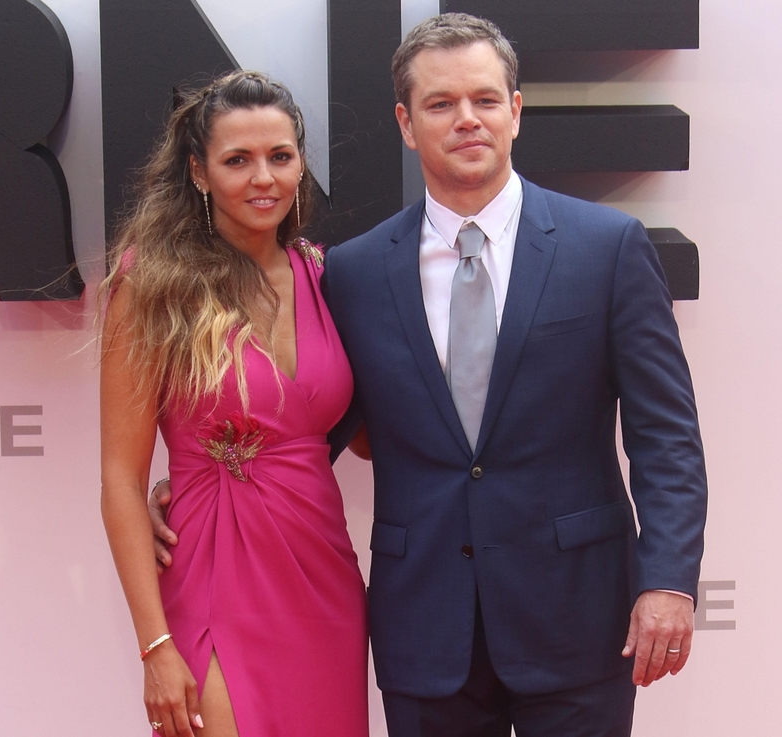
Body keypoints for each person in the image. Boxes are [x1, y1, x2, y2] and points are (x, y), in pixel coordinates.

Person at [152, 13, 707, 737]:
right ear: (407, 124)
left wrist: (667, 579)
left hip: (578, 618)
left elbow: (668, 436)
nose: (466, 119)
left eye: (483, 99)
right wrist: (202, 485)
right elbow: (309, 418)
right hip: (424, 630)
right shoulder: (351, 272)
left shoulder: (607, 248)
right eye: (440, 104)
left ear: (515, 109)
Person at [100, 70, 368, 737]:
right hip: (212, 573)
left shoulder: (328, 276)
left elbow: (370, 435)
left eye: (280, 156)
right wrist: (155, 647)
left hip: (323, 577)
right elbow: (120, 479)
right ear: (199, 171)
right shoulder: (151, 284)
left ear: (301, 163)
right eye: (237, 160)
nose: (263, 178)